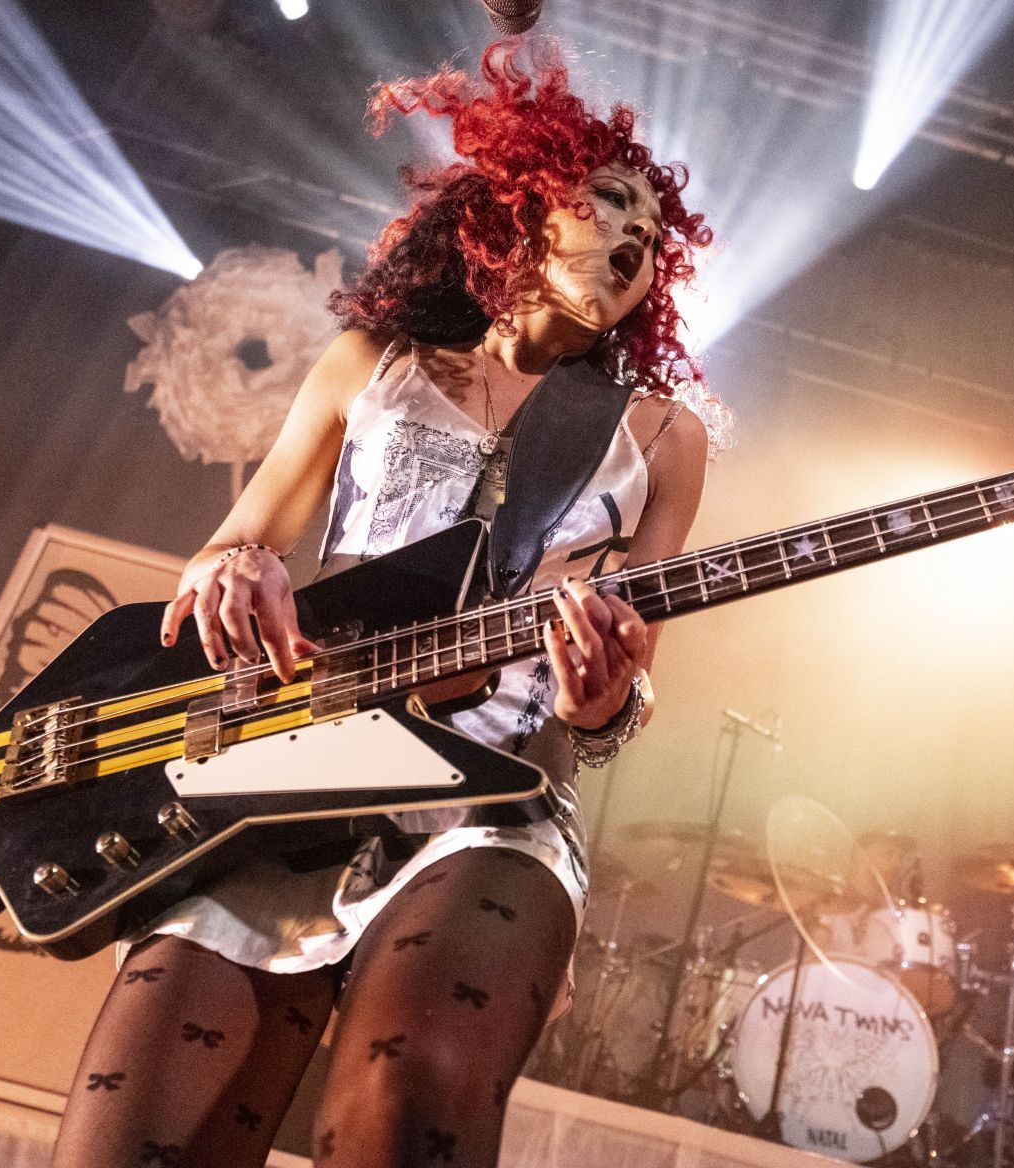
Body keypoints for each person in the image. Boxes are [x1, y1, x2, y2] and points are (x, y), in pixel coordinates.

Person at [50, 39, 716, 1168]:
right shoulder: (374, 361)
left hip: (495, 796)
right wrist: (234, 570)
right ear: (525, 204)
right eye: (609, 202)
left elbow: (629, 682)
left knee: (407, 1097)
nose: (633, 239)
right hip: (286, 773)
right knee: (128, 1132)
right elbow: (232, 545)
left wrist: (605, 701)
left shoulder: (662, 436)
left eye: (652, 235)